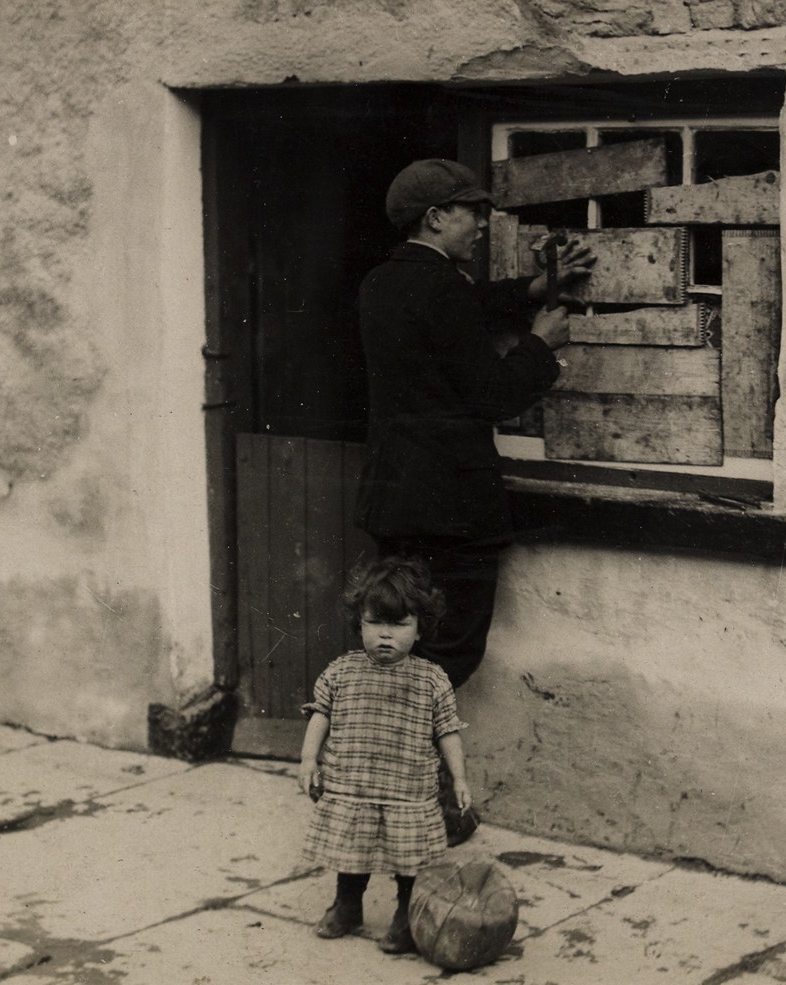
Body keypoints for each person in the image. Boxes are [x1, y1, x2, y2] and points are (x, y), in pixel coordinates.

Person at [355, 158, 593, 690]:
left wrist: (527, 291)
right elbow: (494, 396)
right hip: (452, 511)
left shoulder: (380, 282)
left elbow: (453, 312)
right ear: (436, 217)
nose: (484, 223)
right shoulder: (445, 290)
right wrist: (541, 346)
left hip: (395, 503)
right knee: (449, 653)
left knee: (395, 645)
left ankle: (376, 761)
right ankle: (409, 767)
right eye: (473, 212)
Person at [298, 557, 469, 954]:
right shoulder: (341, 672)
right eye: (375, 623)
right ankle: (347, 906)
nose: (386, 636)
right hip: (351, 785)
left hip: (407, 793)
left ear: (420, 627)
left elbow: (448, 732)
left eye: (399, 625)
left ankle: (405, 917)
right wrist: (309, 759)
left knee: (408, 861)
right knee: (351, 852)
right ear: (359, 622)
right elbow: (320, 715)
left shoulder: (431, 680)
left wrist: (459, 778)